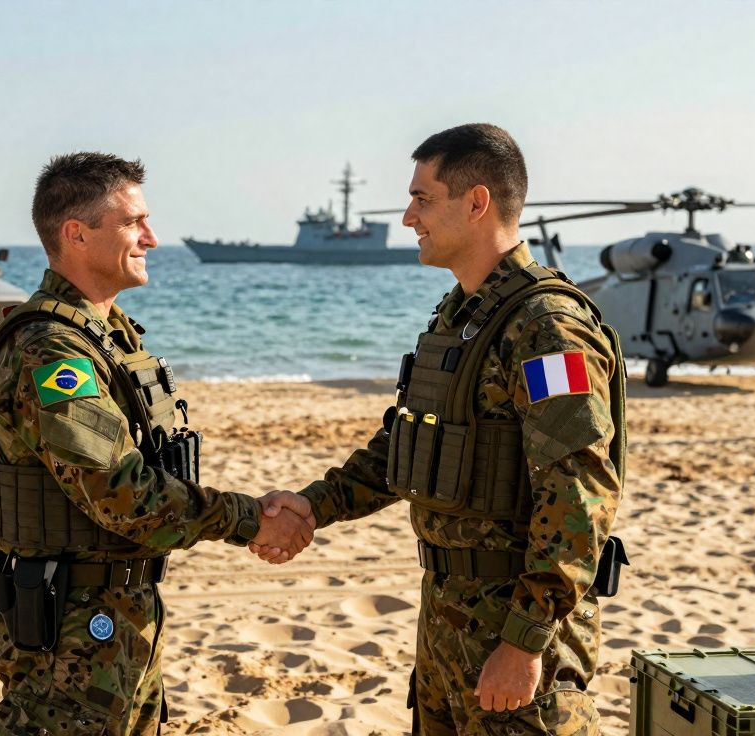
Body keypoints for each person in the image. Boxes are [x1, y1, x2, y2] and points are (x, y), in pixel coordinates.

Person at [257, 124, 625, 735]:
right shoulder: (461, 315)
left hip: (514, 629)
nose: (407, 217)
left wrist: (525, 642)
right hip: (449, 621)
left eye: (423, 199)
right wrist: (314, 505)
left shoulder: (547, 328)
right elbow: (409, 447)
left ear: (477, 202)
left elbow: (580, 495)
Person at [0, 152, 316, 736]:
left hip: (121, 624)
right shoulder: (50, 352)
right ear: (76, 234)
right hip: (70, 639)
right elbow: (123, 496)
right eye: (133, 222)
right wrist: (251, 519)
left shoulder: (107, 335)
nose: (151, 236)